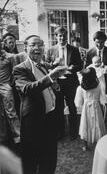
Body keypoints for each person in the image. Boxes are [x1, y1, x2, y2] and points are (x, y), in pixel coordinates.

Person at [13, 35, 68, 174]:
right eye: (33, 45)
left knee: (49, 160)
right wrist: (50, 77)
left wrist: (54, 86)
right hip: (33, 122)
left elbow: (45, 84)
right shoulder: (20, 69)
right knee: (31, 161)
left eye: (40, 44)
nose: (37, 48)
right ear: (26, 48)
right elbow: (28, 89)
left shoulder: (43, 65)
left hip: (50, 118)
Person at [45, 26, 83, 140]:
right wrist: (53, 63)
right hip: (57, 82)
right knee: (58, 108)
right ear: (56, 37)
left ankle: (74, 132)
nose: (62, 38)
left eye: (64, 36)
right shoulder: (50, 50)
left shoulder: (74, 49)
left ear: (67, 37)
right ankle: (60, 132)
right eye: (60, 36)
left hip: (71, 82)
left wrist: (73, 68)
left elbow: (80, 65)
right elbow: (46, 66)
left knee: (72, 107)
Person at [85, 31, 107, 124]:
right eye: (97, 42)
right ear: (94, 41)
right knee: (96, 101)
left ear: (105, 41)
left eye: (101, 42)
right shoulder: (90, 52)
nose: (99, 44)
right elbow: (86, 66)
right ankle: (98, 120)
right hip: (94, 82)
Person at [74, 67, 107, 151]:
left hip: (86, 108)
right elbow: (103, 99)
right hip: (96, 106)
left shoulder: (81, 87)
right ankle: (98, 143)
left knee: (85, 125)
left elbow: (79, 102)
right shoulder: (99, 85)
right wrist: (105, 100)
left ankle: (85, 145)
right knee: (97, 124)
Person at [0, 37, 20, 149]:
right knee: (1, 114)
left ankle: (18, 137)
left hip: (5, 86)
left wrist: (10, 84)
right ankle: (3, 137)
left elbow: (15, 72)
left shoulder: (9, 56)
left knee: (11, 112)